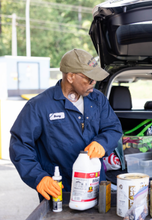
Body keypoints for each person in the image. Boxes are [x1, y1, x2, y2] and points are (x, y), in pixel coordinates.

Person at [9, 48, 123, 201]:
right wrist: (38, 177)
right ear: (70, 77)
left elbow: (113, 128)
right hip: (59, 190)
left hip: (95, 185)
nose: (94, 83)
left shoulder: (98, 100)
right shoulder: (39, 106)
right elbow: (20, 145)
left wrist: (102, 143)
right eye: (89, 79)